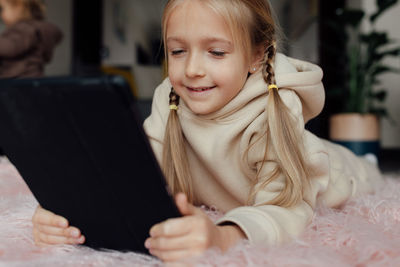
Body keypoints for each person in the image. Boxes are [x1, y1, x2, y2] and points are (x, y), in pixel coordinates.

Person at [31, 0, 382, 263]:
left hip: (333, 171)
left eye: (215, 52)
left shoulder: (275, 109)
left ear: (256, 56)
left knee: (362, 171)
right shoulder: (167, 100)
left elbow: (287, 209)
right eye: (178, 51)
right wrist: (66, 212)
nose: (193, 69)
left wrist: (221, 236)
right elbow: (129, 177)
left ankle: (366, 161)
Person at [0, 0, 62, 78]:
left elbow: (11, 47)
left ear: (18, 8)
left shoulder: (25, 29)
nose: (1, 15)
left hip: (19, 80)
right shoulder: (36, 29)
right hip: (32, 79)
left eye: (2, 9)